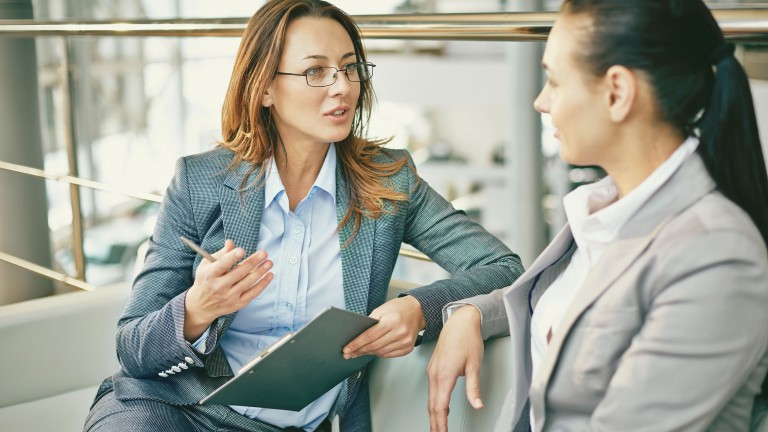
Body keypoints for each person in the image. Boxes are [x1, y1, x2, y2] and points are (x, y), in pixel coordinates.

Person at [82, 1, 523, 431]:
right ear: (265, 88)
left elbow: (504, 268)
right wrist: (197, 309)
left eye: (350, 68)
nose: (342, 87)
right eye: (316, 71)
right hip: (176, 411)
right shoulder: (199, 182)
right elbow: (133, 349)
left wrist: (420, 309)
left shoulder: (391, 183)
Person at [426, 1, 768, 431]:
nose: (540, 101)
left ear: (617, 93)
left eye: (553, 80)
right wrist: (471, 313)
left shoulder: (715, 254)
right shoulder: (607, 210)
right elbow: (572, 310)